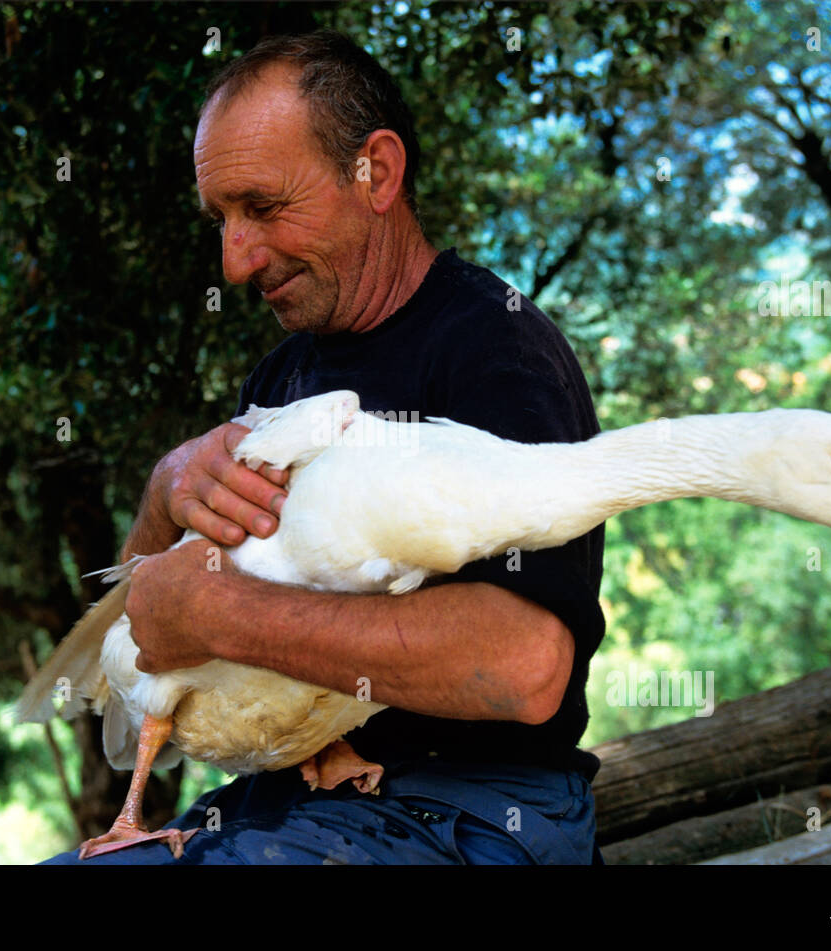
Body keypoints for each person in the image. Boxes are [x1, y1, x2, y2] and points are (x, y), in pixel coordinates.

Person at [42, 30, 606, 865]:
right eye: (222, 220)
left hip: (472, 809)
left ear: (375, 171)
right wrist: (165, 493)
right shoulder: (284, 372)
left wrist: (222, 611)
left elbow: (523, 666)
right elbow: (149, 632)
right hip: (297, 791)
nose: (235, 262)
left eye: (263, 207)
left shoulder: (495, 348)